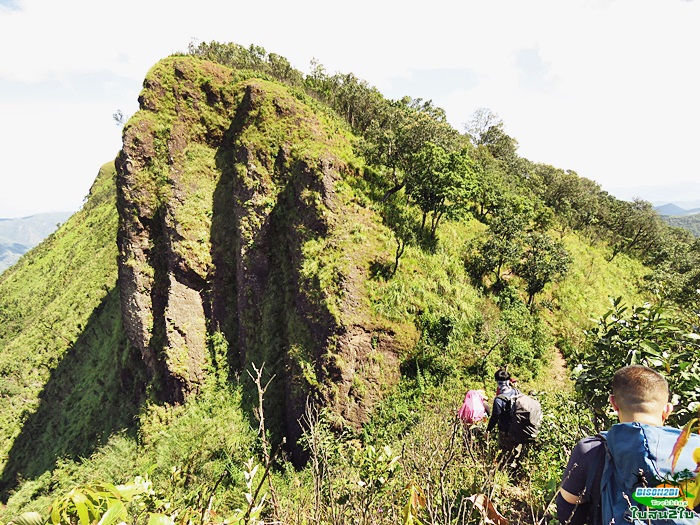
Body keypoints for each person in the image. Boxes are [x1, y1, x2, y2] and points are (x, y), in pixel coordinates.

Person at [556, 365, 678, 525]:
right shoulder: (693, 451)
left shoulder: (591, 450)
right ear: (667, 410)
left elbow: (569, 510)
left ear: (613, 403)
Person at [486, 369, 522, 464]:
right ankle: (516, 467)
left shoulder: (499, 400)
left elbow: (495, 416)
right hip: (518, 428)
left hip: (505, 431)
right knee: (516, 451)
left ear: (497, 382)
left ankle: (507, 471)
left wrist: (488, 429)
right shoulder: (516, 392)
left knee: (506, 452)